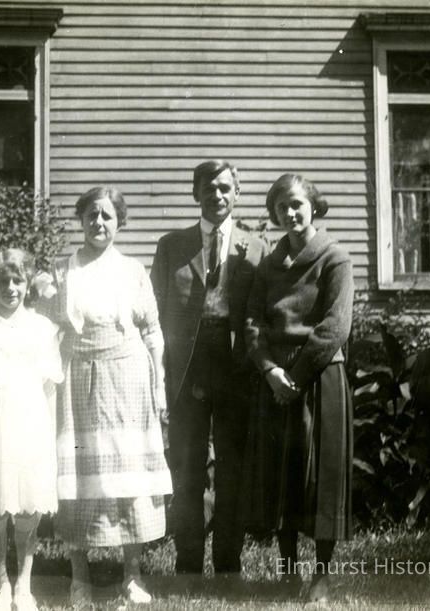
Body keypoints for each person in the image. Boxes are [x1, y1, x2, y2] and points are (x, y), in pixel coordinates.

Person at [48, 187, 171, 605]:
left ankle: (132, 576)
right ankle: (79, 577)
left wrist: (159, 384)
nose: (98, 223)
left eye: (107, 216)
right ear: (81, 219)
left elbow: (152, 331)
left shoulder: (133, 271)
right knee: (78, 474)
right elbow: (48, 332)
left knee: (128, 472)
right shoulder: (62, 271)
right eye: (91, 215)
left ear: (119, 222)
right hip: (77, 379)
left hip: (127, 379)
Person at [150, 160, 268, 576]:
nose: (216, 195)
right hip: (188, 364)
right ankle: (187, 562)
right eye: (208, 188)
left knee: (233, 465)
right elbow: (154, 310)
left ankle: (228, 563)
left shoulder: (256, 247)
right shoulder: (172, 245)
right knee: (188, 465)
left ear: (237, 194)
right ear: (195, 193)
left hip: (235, 364)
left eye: (224, 188)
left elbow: (262, 310)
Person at [244, 173, 354, 602]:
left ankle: (321, 575)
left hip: (320, 374)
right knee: (280, 474)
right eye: (282, 207)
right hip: (275, 377)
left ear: (313, 206)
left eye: (297, 205)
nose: (290, 213)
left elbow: (335, 326)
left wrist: (299, 376)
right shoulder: (268, 264)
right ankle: (288, 570)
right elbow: (253, 322)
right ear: (273, 213)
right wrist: (269, 370)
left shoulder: (334, 258)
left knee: (322, 477)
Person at [0, 248, 62, 611]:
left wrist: (50, 434)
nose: (10, 288)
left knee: (28, 506)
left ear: (28, 283)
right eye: (3, 281)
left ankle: (25, 585)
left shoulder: (42, 327)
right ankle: (0, 585)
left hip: (31, 419)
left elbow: (50, 385)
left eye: (17, 280)